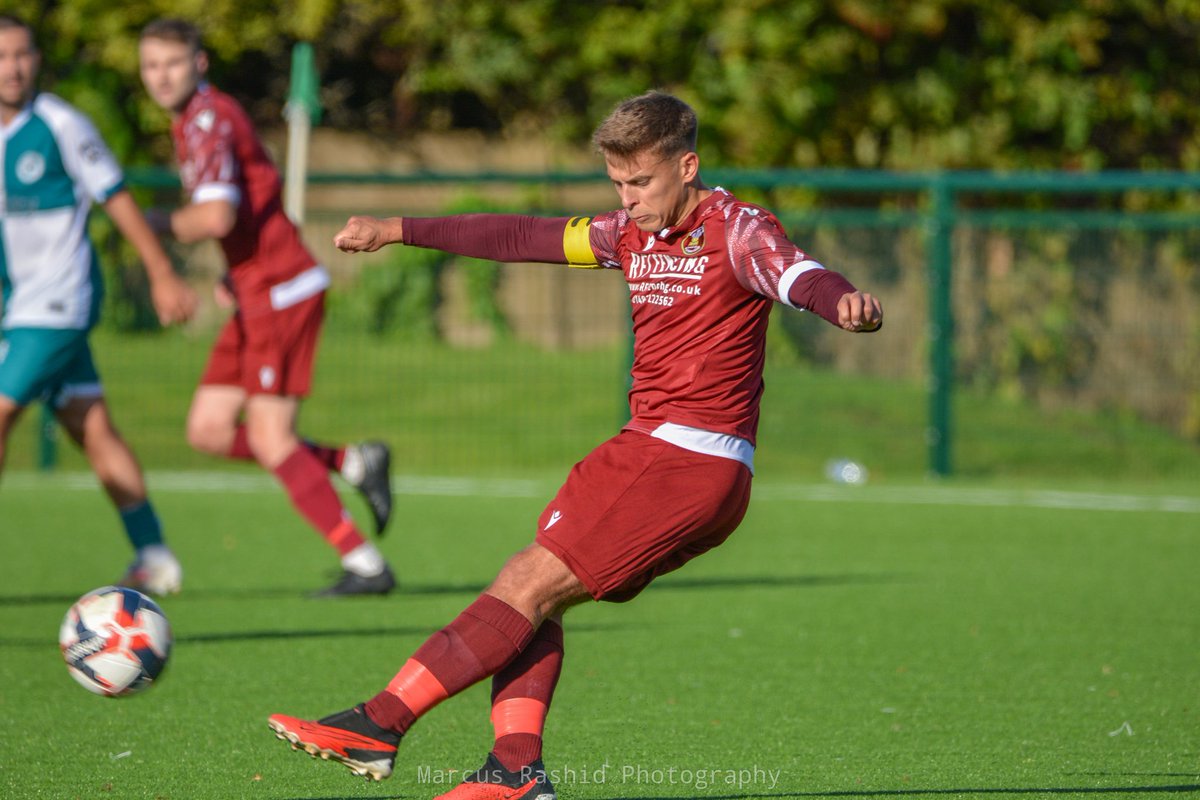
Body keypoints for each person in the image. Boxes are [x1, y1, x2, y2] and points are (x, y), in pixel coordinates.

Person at [267, 91, 883, 796]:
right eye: (618, 183)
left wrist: (839, 301)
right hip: (666, 457)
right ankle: (515, 771)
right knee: (531, 590)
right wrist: (398, 229)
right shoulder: (626, 234)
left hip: (684, 457)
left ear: (688, 165)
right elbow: (518, 237)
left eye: (642, 182)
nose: (630, 198)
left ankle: (377, 724)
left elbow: (795, 273)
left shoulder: (737, 229)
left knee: (526, 585)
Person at [137, 19, 396, 597]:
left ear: (199, 64)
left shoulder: (207, 119)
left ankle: (366, 565)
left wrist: (145, 223)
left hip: (281, 292)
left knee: (271, 438)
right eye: (151, 66)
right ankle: (353, 461)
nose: (161, 76)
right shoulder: (200, 120)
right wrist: (234, 271)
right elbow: (254, 199)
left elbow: (216, 217)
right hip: (253, 291)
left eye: (172, 63)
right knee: (207, 429)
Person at [0, 14, 198, 595]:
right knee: (92, 426)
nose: (11, 68)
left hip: (58, 303)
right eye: (1, 56)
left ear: (37, 60)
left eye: (21, 55)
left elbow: (116, 197)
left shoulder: (61, 124)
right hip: (19, 309)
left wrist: (162, 273)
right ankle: (154, 554)